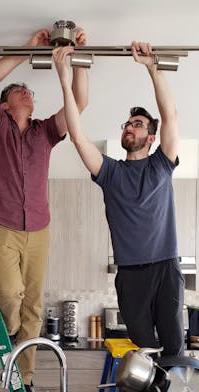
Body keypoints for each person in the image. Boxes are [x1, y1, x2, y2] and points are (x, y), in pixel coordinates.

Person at [53, 41, 184, 356]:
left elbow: (171, 116)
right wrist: (63, 78)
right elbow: (78, 136)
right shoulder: (110, 172)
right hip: (130, 273)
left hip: (166, 267)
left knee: (173, 348)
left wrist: (153, 69)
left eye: (137, 125)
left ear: (150, 138)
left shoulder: (161, 164)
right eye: (127, 124)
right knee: (144, 350)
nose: (129, 127)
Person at [0, 28, 88, 392]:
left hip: (39, 228)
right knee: (10, 295)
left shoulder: (44, 132)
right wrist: (29, 49)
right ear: (6, 105)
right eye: (19, 91)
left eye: (30, 92)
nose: (28, 93)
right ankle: (8, 332)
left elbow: (80, 105)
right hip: (2, 226)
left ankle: (23, 378)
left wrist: (79, 59)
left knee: (34, 308)